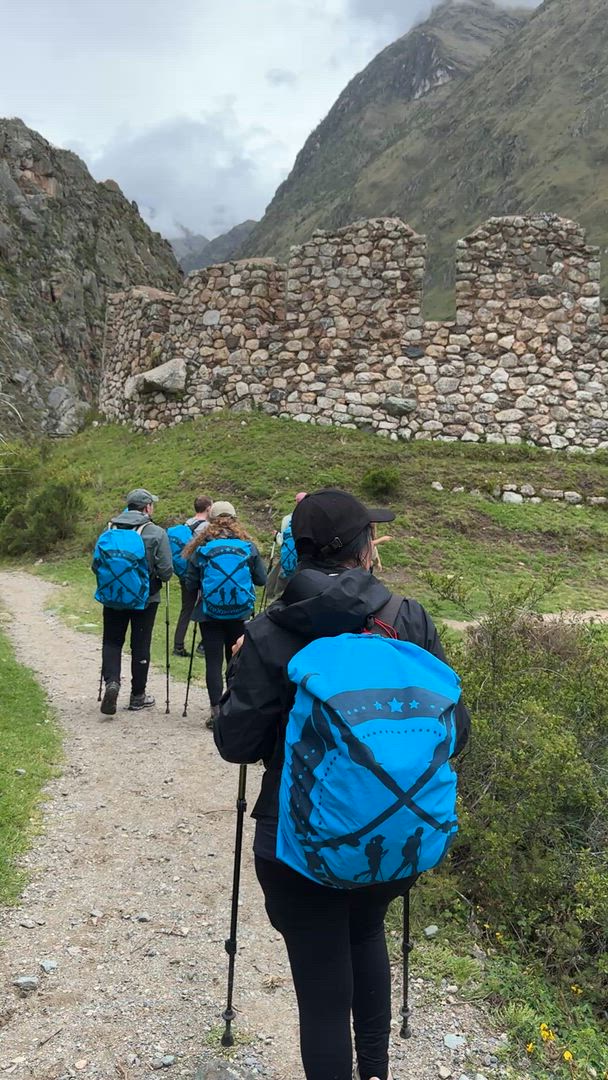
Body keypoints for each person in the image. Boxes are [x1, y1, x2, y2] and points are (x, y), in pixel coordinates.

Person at [215, 488, 471, 1080]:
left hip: (296, 842)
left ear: (296, 551)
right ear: (364, 548)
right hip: (393, 835)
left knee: (323, 994)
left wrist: (239, 670)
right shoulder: (407, 618)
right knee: (365, 934)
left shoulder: (267, 631)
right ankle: (375, 1071)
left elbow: (237, 744)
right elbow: (455, 732)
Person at [182, 501, 267, 729]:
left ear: (211, 519)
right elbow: (262, 579)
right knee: (235, 659)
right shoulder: (247, 546)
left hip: (209, 614)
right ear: (235, 519)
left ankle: (215, 712)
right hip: (239, 613)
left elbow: (190, 583)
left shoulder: (202, 548)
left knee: (213, 661)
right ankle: (233, 710)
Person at [93, 488, 173, 716]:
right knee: (140, 644)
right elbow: (166, 571)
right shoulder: (156, 532)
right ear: (147, 507)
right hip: (146, 599)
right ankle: (138, 696)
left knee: (112, 641)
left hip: (114, 597)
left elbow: (96, 565)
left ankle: (112, 683)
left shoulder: (109, 529)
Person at [173, 495, 213, 657]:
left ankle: (178, 645)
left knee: (187, 608)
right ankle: (204, 645)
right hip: (201, 572)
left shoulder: (187, 524)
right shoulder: (207, 527)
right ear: (208, 508)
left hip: (185, 572)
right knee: (207, 606)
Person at [266, 491, 307, 601]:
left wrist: (277, 536)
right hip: (305, 562)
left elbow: (282, 542)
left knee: (281, 590)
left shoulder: (288, 519)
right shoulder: (314, 519)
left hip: (288, 561)